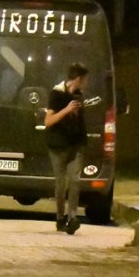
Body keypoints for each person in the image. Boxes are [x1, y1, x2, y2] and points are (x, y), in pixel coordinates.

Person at [44, 62, 89, 234]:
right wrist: (66, 109)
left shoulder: (79, 95)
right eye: (84, 80)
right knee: (61, 183)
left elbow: (77, 120)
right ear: (77, 79)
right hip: (57, 144)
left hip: (75, 143)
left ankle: (73, 218)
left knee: (75, 180)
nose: (86, 83)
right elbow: (48, 121)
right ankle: (60, 217)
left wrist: (76, 113)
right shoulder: (56, 94)